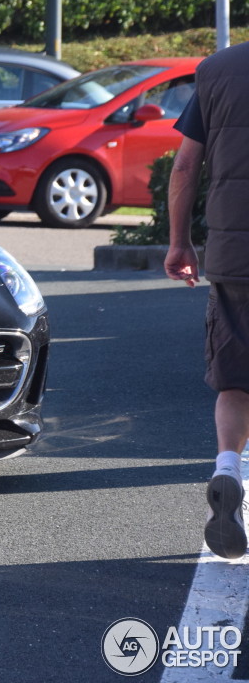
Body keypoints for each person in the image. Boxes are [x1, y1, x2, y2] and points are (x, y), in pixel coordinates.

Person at [165, 40, 249, 560]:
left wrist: (179, 241)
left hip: (234, 252)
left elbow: (183, 167)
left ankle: (227, 470)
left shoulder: (216, 71)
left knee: (236, 378)